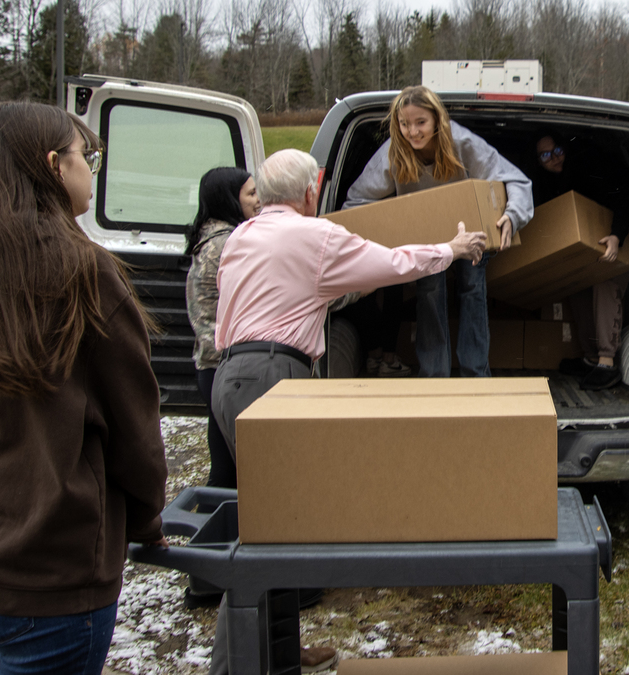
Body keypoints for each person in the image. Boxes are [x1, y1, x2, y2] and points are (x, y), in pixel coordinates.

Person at [206, 148, 486, 675]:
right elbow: (391, 263)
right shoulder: (314, 235)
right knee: (267, 532)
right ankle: (233, 667)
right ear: (310, 192)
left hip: (229, 377)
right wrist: (449, 249)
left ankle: (280, 653)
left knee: (280, 523)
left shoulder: (241, 236)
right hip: (271, 377)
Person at [0, 101, 169, 674]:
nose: (90, 168)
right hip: (56, 578)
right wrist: (147, 521)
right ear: (53, 165)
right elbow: (135, 434)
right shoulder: (84, 273)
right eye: (85, 155)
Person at [343, 85, 533, 377]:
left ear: (436, 120)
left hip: (469, 233)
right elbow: (357, 200)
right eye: (405, 124)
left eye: (420, 122)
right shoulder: (395, 150)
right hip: (427, 238)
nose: (413, 132)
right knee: (429, 290)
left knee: (472, 286)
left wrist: (512, 216)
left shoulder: (460, 141)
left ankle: (475, 374)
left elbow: (514, 178)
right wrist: (381, 233)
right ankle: (434, 376)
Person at [531, 131, 629, 390]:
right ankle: (592, 357)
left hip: (628, 209)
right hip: (595, 216)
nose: (554, 158)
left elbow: (621, 202)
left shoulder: (588, 166)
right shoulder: (544, 181)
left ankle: (607, 362)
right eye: (546, 156)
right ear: (539, 161)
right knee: (578, 279)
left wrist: (617, 236)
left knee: (607, 276)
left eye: (558, 151)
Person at [186, 167, 260, 490]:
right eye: (251, 194)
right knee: (229, 474)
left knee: (224, 467)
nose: (259, 201)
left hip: (211, 365)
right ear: (231, 200)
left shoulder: (211, 239)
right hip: (223, 366)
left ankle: (216, 533)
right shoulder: (227, 244)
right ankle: (218, 536)